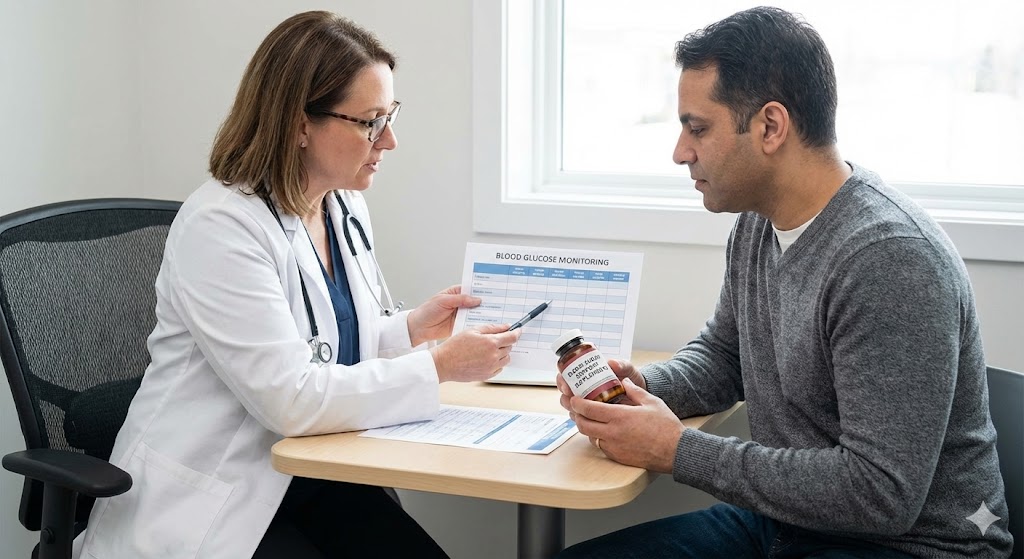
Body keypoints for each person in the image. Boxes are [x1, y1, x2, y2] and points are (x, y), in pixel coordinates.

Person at [557, 7, 1012, 559]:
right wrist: (643, 391)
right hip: (786, 524)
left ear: (771, 127)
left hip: (909, 547)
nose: (680, 152)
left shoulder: (890, 260)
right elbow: (727, 355)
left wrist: (677, 450)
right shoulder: (758, 221)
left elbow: (880, 494)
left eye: (697, 128)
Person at [78, 11, 520, 559]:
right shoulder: (221, 226)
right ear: (299, 123)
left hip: (316, 477)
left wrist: (410, 330)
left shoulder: (342, 205)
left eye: (391, 115)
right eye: (370, 121)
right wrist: (440, 365)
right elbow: (290, 399)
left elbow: (326, 346)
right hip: (222, 500)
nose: (390, 141)